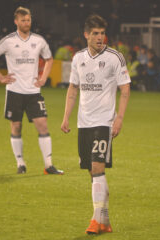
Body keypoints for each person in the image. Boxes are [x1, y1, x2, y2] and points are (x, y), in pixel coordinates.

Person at [61, 14, 130, 235]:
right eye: (95, 34)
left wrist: (118, 118)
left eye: (102, 33)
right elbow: (73, 88)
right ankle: (105, 219)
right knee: (92, 172)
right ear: (86, 35)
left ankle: (94, 220)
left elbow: (125, 89)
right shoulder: (78, 58)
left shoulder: (114, 57)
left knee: (98, 168)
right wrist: (66, 117)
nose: (100, 37)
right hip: (84, 123)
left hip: (104, 122)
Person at [0, 7, 63, 175]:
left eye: (28, 20)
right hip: (14, 91)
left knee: (42, 124)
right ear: (16, 22)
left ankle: (49, 165)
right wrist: (0, 77)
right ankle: (20, 163)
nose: (26, 23)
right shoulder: (8, 41)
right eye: (23, 20)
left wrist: (42, 78)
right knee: (16, 126)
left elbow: (49, 59)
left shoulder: (39, 40)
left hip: (33, 92)